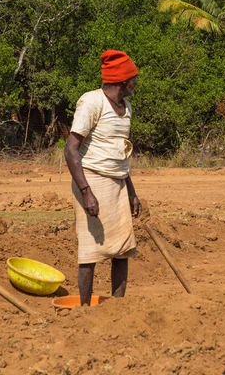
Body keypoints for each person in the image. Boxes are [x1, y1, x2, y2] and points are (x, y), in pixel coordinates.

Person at [64, 49, 142, 306]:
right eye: (133, 78)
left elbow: (121, 153)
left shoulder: (126, 107)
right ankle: (85, 309)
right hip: (92, 181)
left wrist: (131, 191)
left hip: (118, 182)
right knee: (90, 251)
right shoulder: (91, 102)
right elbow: (71, 149)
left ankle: (117, 307)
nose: (136, 83)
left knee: (122, 249)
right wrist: (86, 191)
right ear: (122, 80)